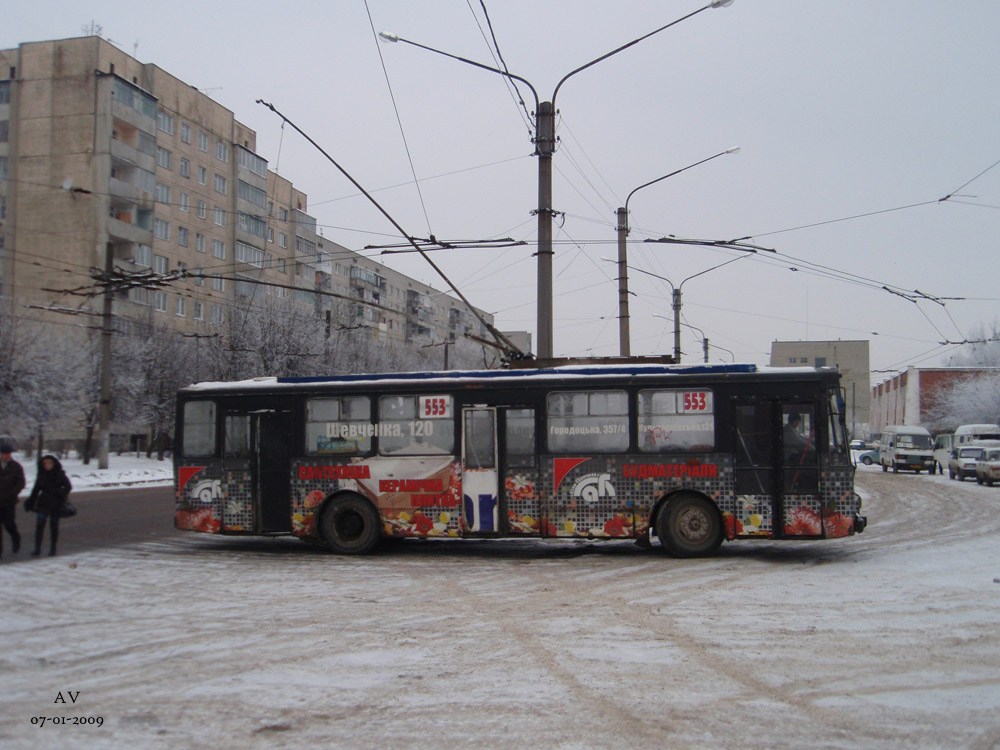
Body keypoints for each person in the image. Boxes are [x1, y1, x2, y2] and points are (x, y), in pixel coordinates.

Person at [26, 454, 72, 557]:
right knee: (39, 526)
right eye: (45, 463)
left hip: (56, 503)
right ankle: (37, 548)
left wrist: (60, 492)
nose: (47, 465)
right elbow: (36, 490)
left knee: (53, 526)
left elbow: (68, 486)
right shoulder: (41, 475)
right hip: (43, 503)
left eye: (49, 463)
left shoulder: (59, 474)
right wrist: (30, 502)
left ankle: (53, 548)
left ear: (54, 464)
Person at [0, 444, 26, 558]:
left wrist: (13, 493)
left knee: (9, 524)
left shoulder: (16, 466)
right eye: (4, 453)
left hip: (9, 501)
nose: (7, 455)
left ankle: (15, 537)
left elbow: (21, 483)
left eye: (8, 453)